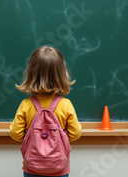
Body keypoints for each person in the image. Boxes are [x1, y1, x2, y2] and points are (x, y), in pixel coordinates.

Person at [10, 46, 82, 177]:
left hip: (32, 167)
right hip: (59, 168)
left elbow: (16, 134)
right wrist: (60, 139)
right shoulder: (65, 105)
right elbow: (75, 133)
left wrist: (32, 139)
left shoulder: (26, 105)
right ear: (61, 74)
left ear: (31, 74)